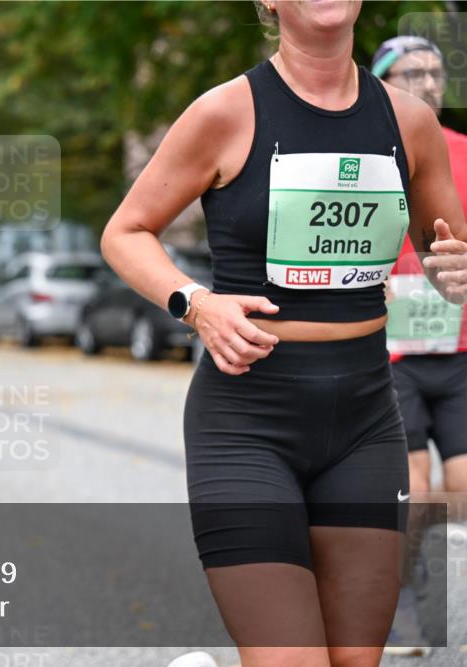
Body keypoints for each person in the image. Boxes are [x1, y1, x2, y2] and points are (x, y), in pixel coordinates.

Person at [101, 2, 467, 666]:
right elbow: (125, 232)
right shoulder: (226, 112)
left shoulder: (409, 123)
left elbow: (449, 261)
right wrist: (196, 304)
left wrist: (457, 271)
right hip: (246, 425)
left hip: (365, 423)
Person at [371, 35, 467, 658]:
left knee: (460, 491)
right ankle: (398, 600)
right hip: (391, 353)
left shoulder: (462, 150)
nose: (428, 83)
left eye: (436, 72)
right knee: (416, 490)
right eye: (413, 73)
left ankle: (401, 555)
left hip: (457, 348)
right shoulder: (364, 150)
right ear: (383, 82)